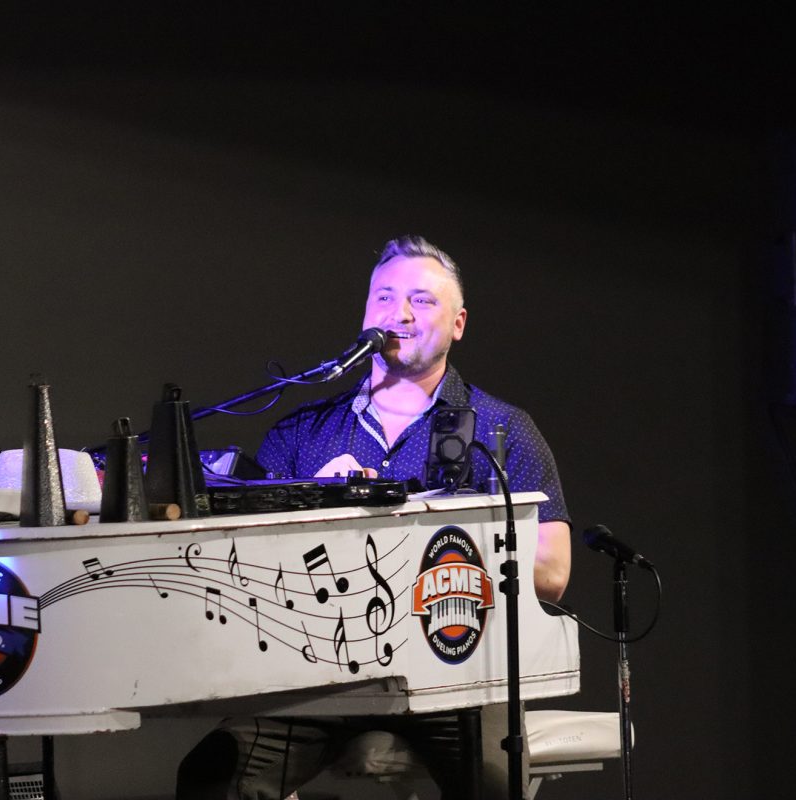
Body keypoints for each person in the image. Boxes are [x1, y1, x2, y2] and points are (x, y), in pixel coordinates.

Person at [176, 235, 571, 800]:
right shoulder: (300, 434)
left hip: (453, 673)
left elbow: (552, 572)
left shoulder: (501, 428)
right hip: (320, 679)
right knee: (213, 776)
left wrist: (421, 534)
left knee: (496, 786)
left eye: (422, 300)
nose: (400, 314)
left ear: (458, 324)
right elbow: (248, 566)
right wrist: (315, 501)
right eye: (384, 298)